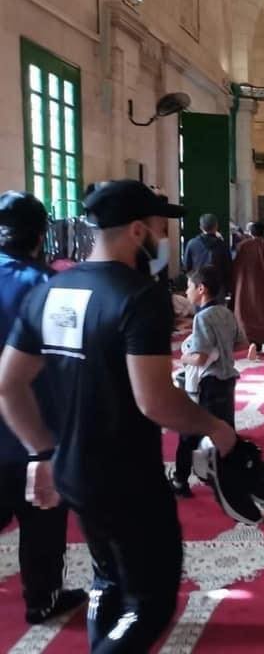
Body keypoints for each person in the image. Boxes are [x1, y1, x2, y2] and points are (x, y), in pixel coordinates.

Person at [0, 180, 239, 652]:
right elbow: (154, 401)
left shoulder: (53, 288)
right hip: (125, 475)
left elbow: (9, 384)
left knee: (108, 578)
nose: (163, 235)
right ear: (136, 230)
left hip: (72, 469)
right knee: (149, 603)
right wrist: (214, 426)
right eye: (158, 226)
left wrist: (43, 451)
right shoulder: (138, 296)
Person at [0, 191, 87, 624]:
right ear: (39, 236)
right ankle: (42, 598)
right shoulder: (46, 286)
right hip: (36, 426)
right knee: (42, 518)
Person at [171, 266, 246, 497]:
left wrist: (183, 357)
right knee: (226, 432)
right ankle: (236, 478)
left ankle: (180, 481)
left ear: (201, 289)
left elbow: (200, 358)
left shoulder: (202, 317)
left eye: (189, 287)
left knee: (189, 431)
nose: (186, 292)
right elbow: (241, 343)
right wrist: (221, 350)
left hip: (209, 383)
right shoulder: (226, 312)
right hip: (228, 379)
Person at [232, 221, 264, 361]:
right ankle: (258, 344)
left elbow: (235, 266)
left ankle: (251, 343)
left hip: (245, 287)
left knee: (247, 315)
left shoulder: (242, 246)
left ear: (250, 233)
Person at [182, 213, 232, 298]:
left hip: (198, 286)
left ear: (201, 227)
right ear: (216, 226)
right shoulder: (222, 245)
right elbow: (228, 268)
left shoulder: (192, 243)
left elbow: (186, 267)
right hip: (218, 287)